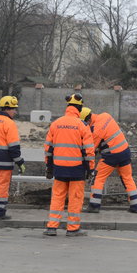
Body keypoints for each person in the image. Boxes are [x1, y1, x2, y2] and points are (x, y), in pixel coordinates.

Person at [43, 93, 95, 237]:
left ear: (68, 107)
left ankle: (51, 227)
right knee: (75, 198)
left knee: (57, 197)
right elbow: (89, 151)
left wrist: (49, 167)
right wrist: (91, 169)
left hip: (59, 168)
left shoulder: (56, 124)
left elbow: (48, 148)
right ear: (79, 108)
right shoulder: (82, 125)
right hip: (77, 170)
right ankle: (72, 228)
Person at [80, 107, 137, 214]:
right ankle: (136, 205)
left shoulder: (96, 130)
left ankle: (94, 205)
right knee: (127, 178)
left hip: (111, 156)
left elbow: (90, 150)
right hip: (125, 152)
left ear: (87, 120)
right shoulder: (105, 115)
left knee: (98, 177)